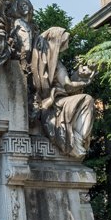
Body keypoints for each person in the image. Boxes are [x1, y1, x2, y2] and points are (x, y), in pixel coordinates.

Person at [30, 26, 96, 158]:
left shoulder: (35, 59)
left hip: (46, 101)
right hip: (54, 102)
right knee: (87, 100)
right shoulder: (57, 64)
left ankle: (76, 141)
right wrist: (86, 81)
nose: (66, 46)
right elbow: (68, 86)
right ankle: (77, 140)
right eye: (64, 42)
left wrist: (79, 76)